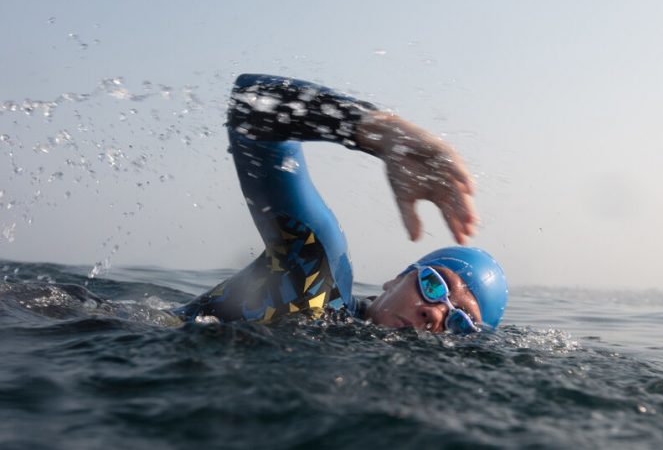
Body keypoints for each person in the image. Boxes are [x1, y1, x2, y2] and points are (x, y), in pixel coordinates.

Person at [173, 74, 508, 333]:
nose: (434, 312)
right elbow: (255, 101)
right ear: (395, 280)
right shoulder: (317, 271)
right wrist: (379, 133)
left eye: (459, 322)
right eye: (434, 284)